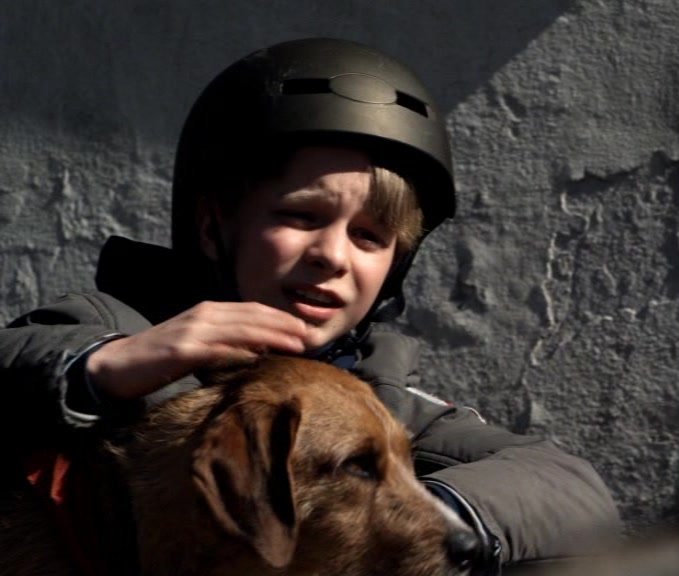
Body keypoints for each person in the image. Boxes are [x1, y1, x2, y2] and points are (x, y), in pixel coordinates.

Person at [0, 38, 619, 573]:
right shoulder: (114, 328)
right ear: (213, 227)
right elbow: (18, 358)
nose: (332, 255)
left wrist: (427, 513)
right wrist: (107, 366)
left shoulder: (381, 398)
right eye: (301, 216)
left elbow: (569, 486)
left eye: (369, 236)